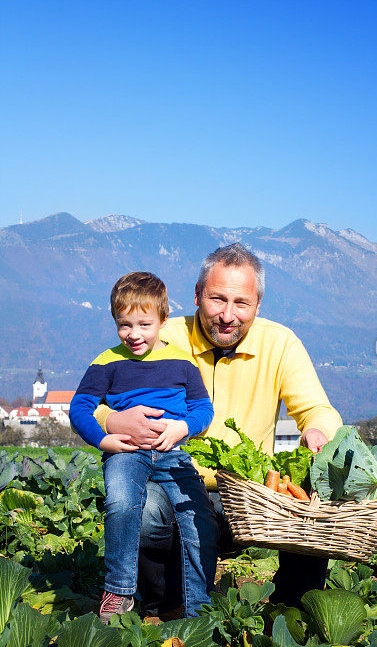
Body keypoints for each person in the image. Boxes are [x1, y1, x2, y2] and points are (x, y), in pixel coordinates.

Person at [94, 245, 342, 615]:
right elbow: (98, 394)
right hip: (175, 484)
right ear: (196, 296)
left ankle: (293, 606)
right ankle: (164, 601)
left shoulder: (280, 343)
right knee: (143, 511)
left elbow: (316, 409)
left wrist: (318, 431)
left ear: (258, 305)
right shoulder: (163, 337)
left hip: (253, 496)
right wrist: (112, 421)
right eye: (217, 299)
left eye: (241, 303)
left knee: (313, 497)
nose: (228, 315)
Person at [69, 271, 217, 622]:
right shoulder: (106, 363)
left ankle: (199, 610)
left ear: (163, 320)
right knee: (121, 503)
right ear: (115, 321)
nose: (134, 335)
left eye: (144, 324)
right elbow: (79, 408)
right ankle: (119, 592)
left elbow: (203, 409)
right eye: (125, 325)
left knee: (200, 520)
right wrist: (103, 439)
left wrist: (183, 426)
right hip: (126, 453)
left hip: (173, 453)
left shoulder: (183, 362)